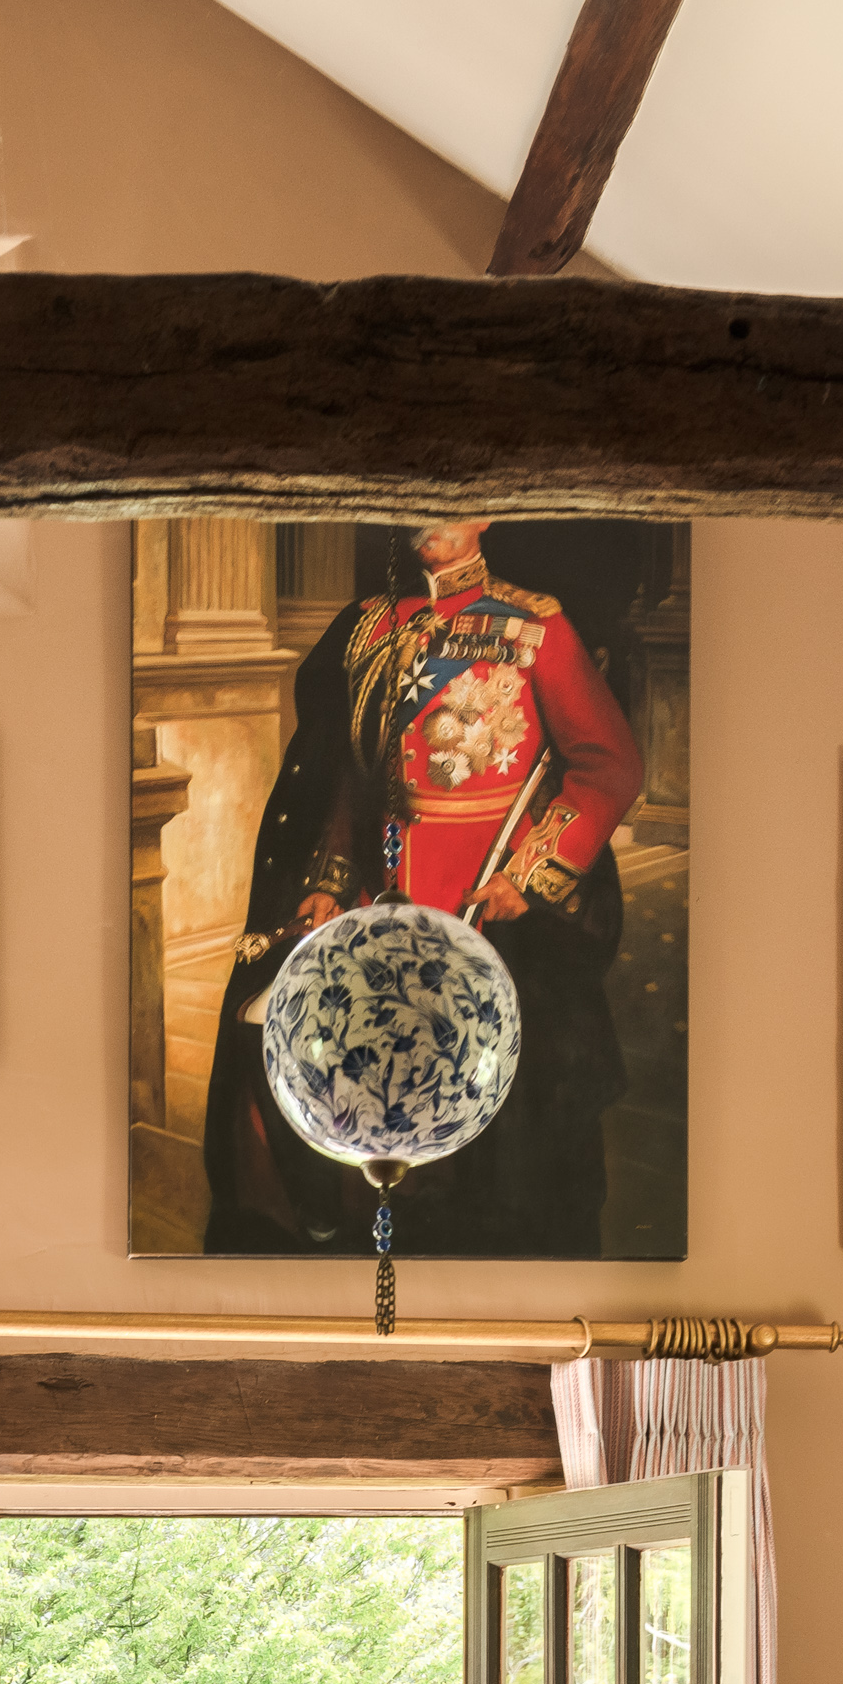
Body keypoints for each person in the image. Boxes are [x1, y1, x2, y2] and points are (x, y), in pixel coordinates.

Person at [199, 518, 640, 1256]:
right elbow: (348, 775)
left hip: (489, 909)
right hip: (385, 900)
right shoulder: (373, 626)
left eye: (452, 507)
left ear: (484, 520)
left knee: (512, 1117)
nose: (430, 521)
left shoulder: (535, 626)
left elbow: (609, 766)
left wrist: (526, 877)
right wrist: (332, 879)